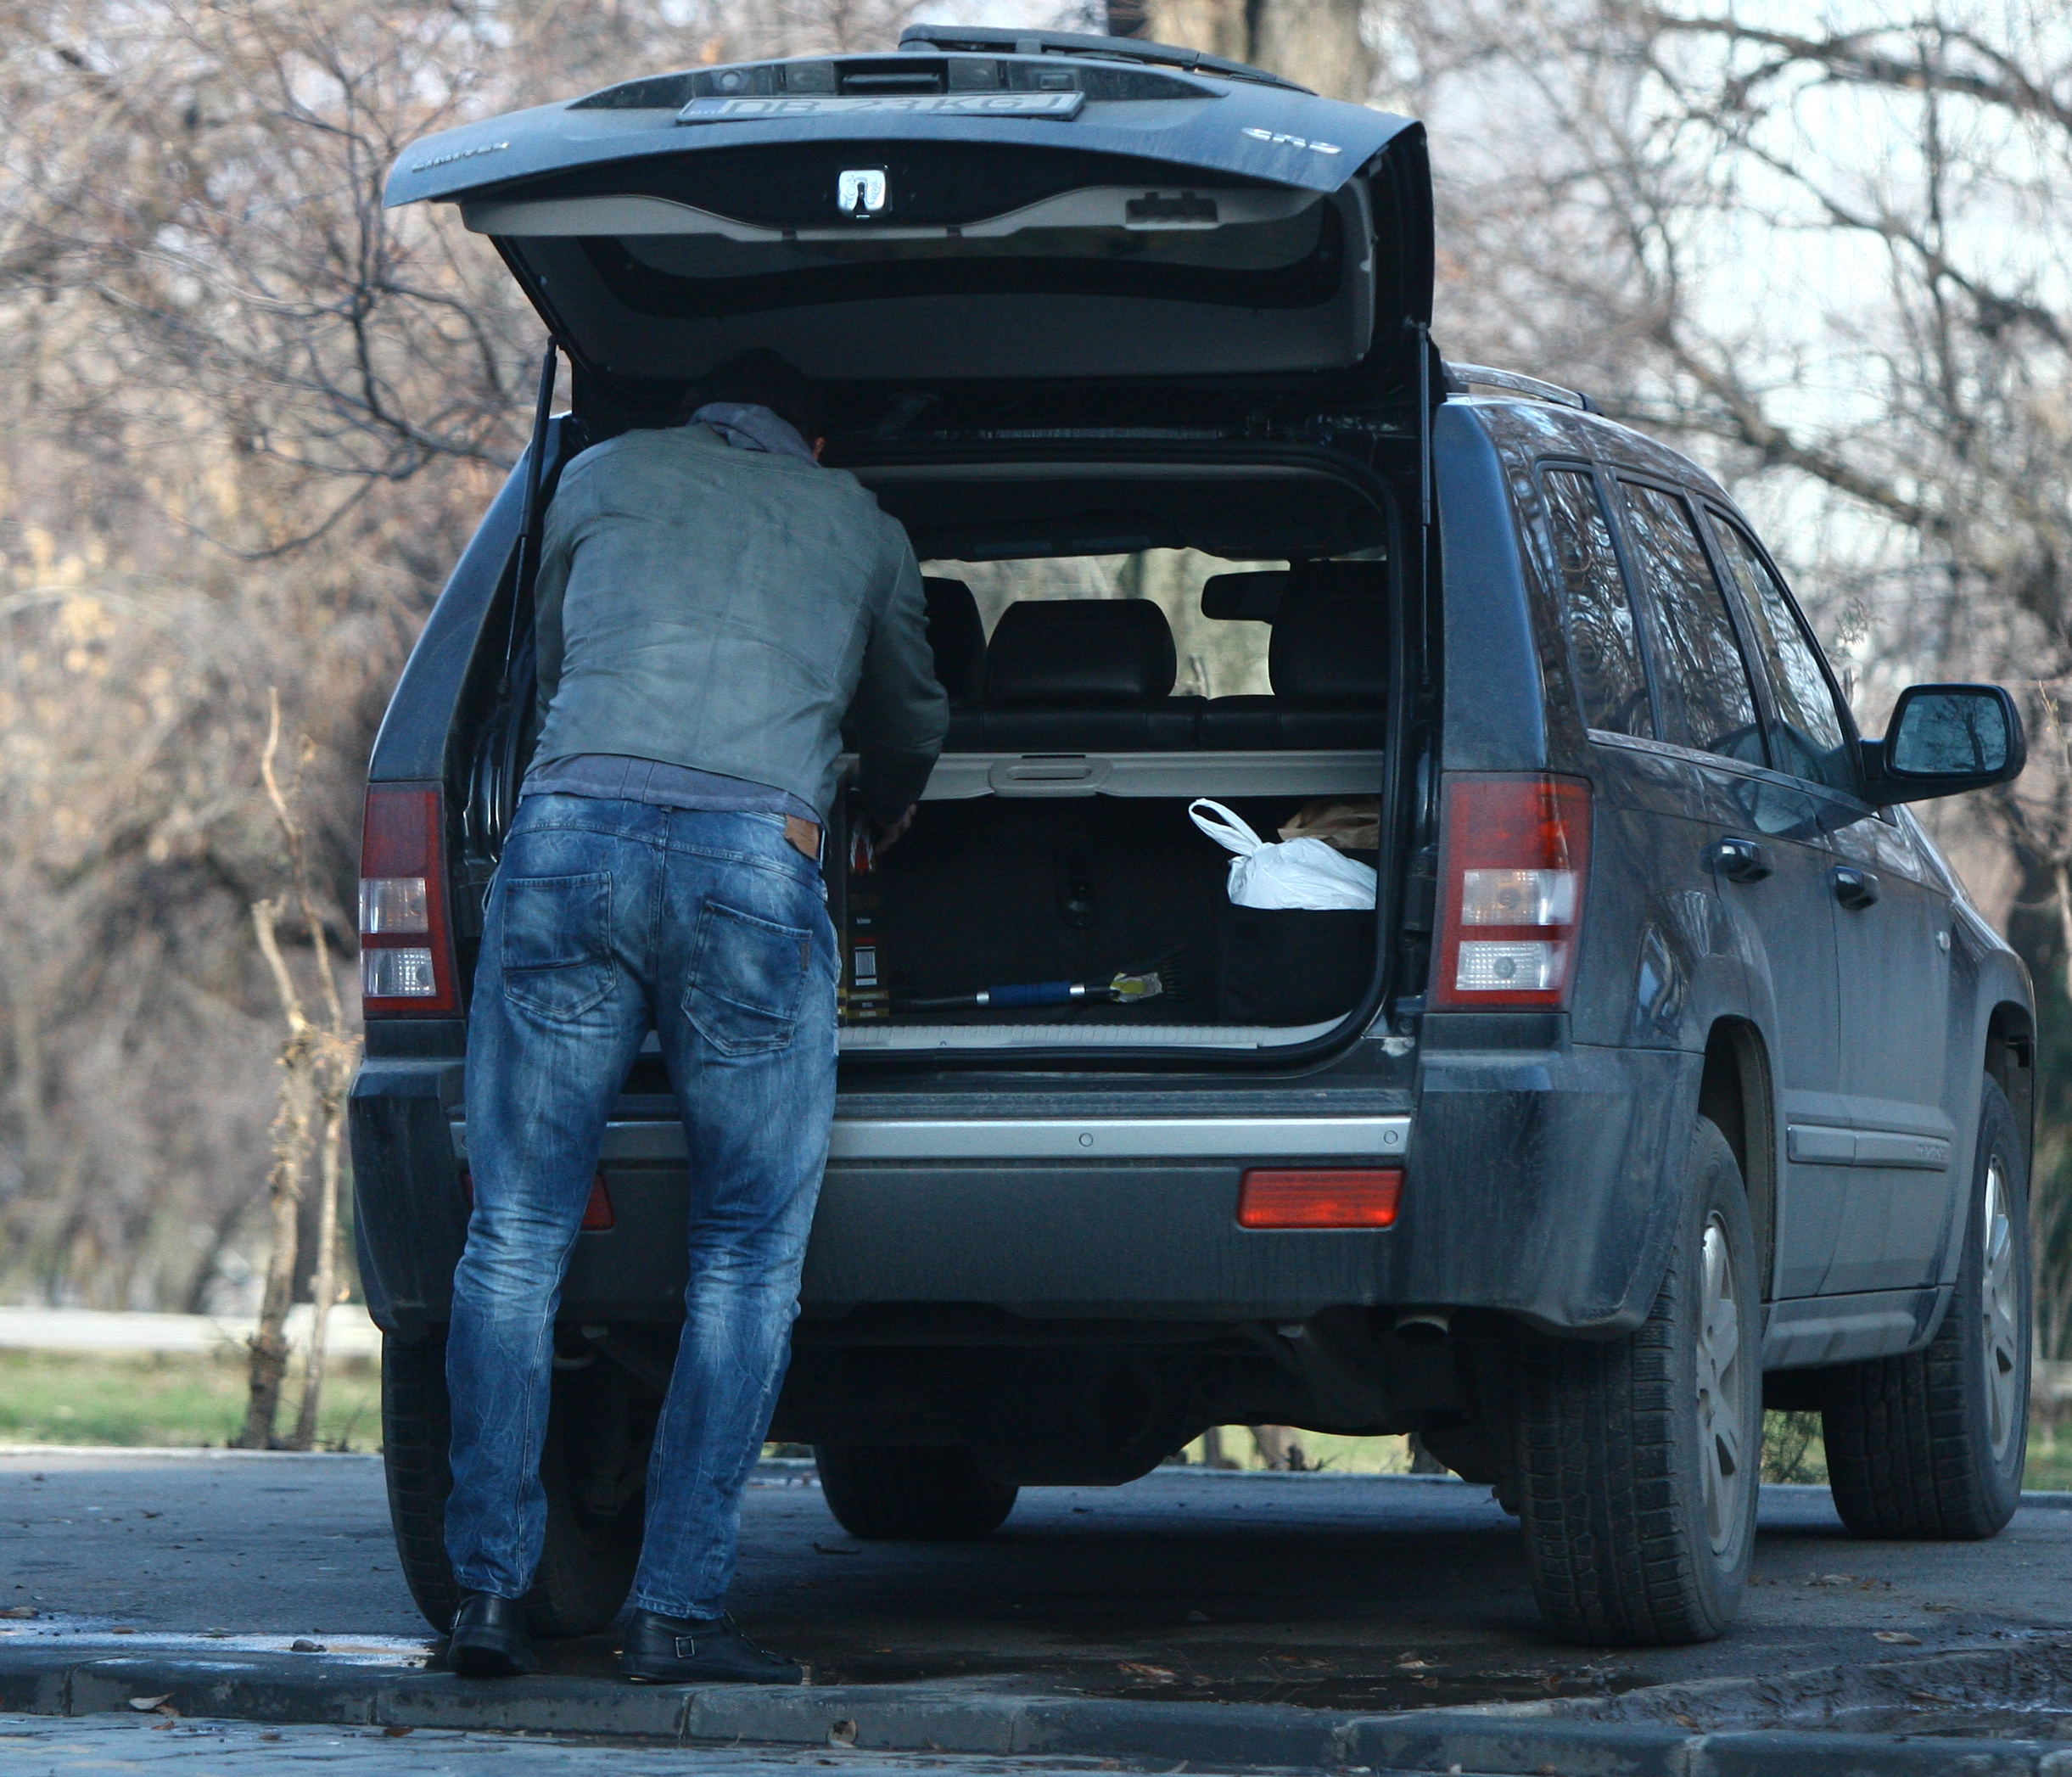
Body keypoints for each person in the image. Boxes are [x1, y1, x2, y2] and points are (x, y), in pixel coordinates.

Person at [440, 350, 947, 1685]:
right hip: (751, 868)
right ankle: (674, 1613)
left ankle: (487, 1594)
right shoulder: (860, 521)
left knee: (512, 1238)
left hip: (567, 841)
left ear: (692, 415)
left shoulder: (597, 474)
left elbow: (557, 659)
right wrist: (887, 794)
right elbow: (907, 712)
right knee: (743, 1260)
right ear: (815, 444)